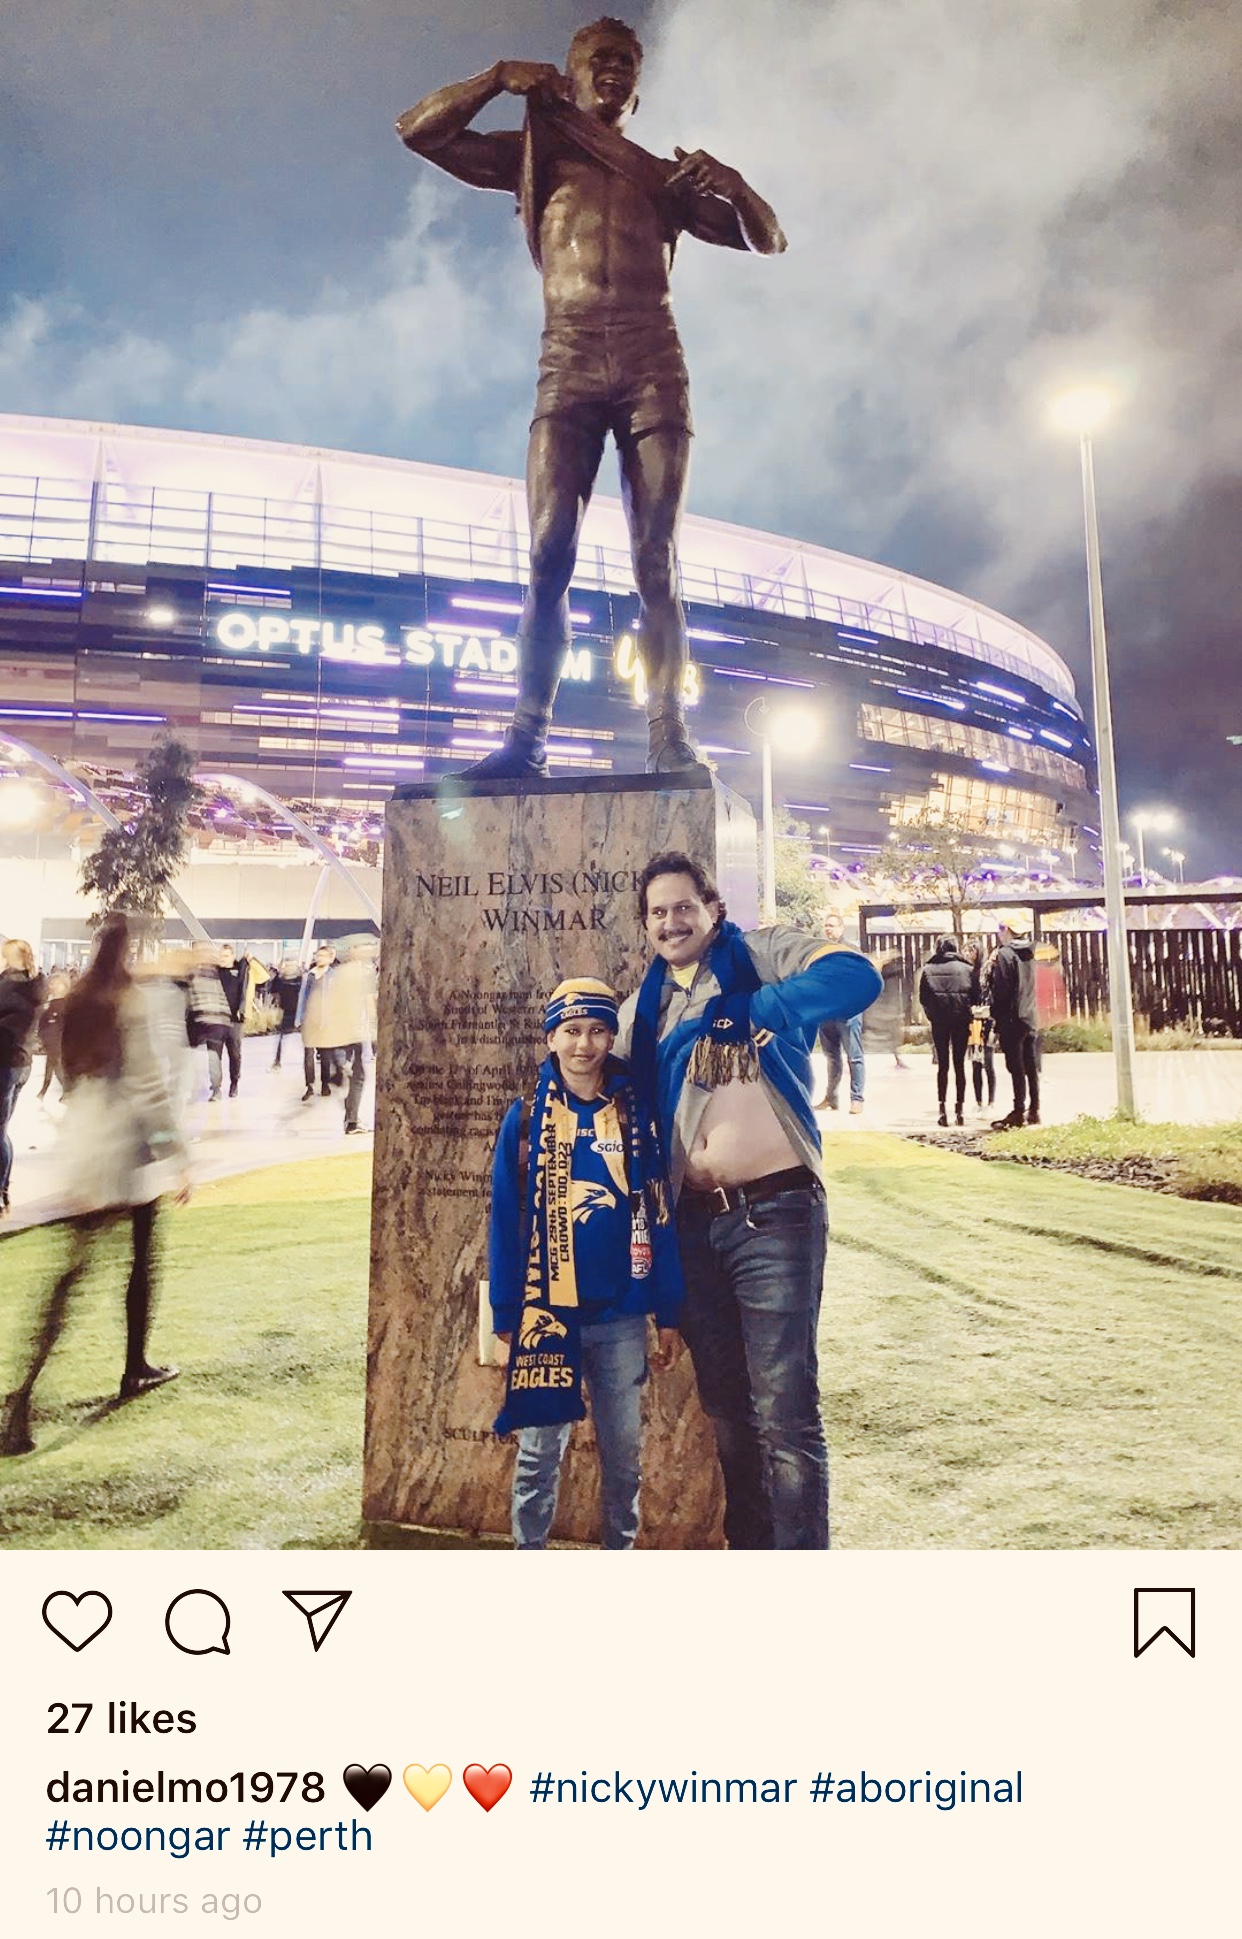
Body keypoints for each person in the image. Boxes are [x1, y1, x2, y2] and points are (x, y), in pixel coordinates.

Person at [397, 17, 786, 778]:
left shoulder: (661, 181)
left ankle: (668, 730)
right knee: (547, 553)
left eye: (626, 63)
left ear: (637, 90)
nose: (613, 70)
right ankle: (526, 739)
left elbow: (767, 240)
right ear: (569, 75)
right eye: (598, 59)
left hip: (651, 362)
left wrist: (733, 185)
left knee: (656, 560)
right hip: (569, 360)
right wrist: (493, 78)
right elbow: (418, 132)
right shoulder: (537, 155)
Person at [616, 852, 882, 1549]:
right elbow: (590, 1087)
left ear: (713, 909)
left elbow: (856, 975)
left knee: (785, 1410)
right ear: (645, 926)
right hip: (693, 1228)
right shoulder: (642, 1011)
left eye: (684, 907)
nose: (671, 921)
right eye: (657, 911)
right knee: (729, 1411)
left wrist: (753, 1010)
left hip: (776, 1213)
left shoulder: (761, 956)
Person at [489, 977, 683, 1549]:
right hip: (546, 1312)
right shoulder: (524, 1118)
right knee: (537, 1455)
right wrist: (506, 1314)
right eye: (571, 1031)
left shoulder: (636, 1116)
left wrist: (666, 1309)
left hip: (621, 1314)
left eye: (597, 1030)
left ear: (611, 1037)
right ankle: (530, 1554)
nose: (584, 1044)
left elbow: (660, 1210)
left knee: (624, 1456)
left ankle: (618, 1552)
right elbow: (505, 1219)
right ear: (551, 1038)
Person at [1, 915, 190, 1457]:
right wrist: (178, 1154)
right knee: (139, 1261)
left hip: (87, 1140)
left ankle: (24, 1399)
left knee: (73, 1275)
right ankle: (129, 1369)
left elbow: (65, 1070)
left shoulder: (81, 998)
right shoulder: (127, 1002)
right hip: (125, 1148)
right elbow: (148, 1085)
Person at [0, 939, 46, 1215]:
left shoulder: (9, 987)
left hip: (5, 1062)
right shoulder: (35, 984)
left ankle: (1, 1190)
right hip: (22, 1062)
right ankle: (3, 1189)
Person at [917, 936, 978, 1127]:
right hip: (961, 1020)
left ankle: (942, 1109)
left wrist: (933, 1015)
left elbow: (924, 998)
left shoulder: (928, 970)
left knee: (942, 1066)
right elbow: (976, 995)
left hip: (939, 1022)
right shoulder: (968, 970)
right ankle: (959, 1110)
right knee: (959, 1065)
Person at [987, 921, 1041, 1128]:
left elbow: (1002, 990)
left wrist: (996, 1016)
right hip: (1030, 1015)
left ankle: (1018, 1112)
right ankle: (1034, 1110)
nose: (999, 934)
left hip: (1012, 1017)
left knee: (1015, 1067)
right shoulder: (1031, 952)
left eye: (1000, 929)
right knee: (1030, 1065)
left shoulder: (1005, 955)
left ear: (1008, 930)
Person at [813, 910, 866, 1114]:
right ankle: (831, 1098)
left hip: (848, 1012)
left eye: (832, 925)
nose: (828, 929)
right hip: (826, 1011)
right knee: (831, 1057)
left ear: (841, 928)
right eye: (826, 925)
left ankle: (857, 1098)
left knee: (854, 1056)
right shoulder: (820, 950)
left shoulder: (851, 951)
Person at [186, 944, 235, 1101]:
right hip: (216, 1019)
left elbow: (189, 998)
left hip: (209, 1019)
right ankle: (215, 1090)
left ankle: (212, 1089)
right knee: (212, 1055)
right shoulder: (213, 973)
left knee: (207, 1055)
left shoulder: (195, 973)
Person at [295, 945, 339, 1100]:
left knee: (325, 1055)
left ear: (330, 958)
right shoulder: (309, 976)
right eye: (318, 955)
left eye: (323, 955)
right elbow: (302, 997)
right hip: (309, 1020)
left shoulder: (334, 976)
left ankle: (325, 1083)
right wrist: (299, 1018)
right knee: (308, 1054)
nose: (319, 958)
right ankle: (310, 1085)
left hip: (326, 1021)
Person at [37, 969, 72, 1101]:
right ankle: (45, 1092)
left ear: (64, 986)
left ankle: (66, 1092)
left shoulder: (65, 1005)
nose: (51, 986)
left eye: (55, 983)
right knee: (52, 1066)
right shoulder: (50, 1004)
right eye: (51, 983)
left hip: (59, 1042)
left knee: (55, 1066)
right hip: (52, 1041)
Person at [269, 956, 303, 1070]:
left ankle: (312, 1056)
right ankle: (277, 1061)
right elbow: (273, 992)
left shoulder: (301, 979)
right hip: (286, 1012)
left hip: (301, 1012)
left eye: (291, 965)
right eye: (287, 965)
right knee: (281, 1038)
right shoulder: (280, 980)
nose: (289, 968)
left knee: (307, 1039)